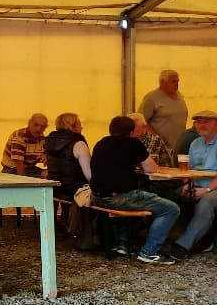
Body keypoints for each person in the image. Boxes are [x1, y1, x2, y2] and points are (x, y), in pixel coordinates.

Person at [90, 116, 180, 264]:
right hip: (119, 198)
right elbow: (152, 169)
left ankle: (122, 244)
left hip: (97, 197)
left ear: (110, 130)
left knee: (131, 197)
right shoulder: (133, 144)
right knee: (171, 209)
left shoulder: (101, 143)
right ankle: (149, 252)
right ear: (131, 132)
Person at [169, 110, 217, 260]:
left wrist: (206, 189)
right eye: (199, 122)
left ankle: (183, 245)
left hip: (213, 186)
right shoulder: (195, 143)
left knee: (207, 201)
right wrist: (187, 184)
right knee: (164, 194)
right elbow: (188, 169)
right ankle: (159, 240)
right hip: (196, 184)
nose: (202, 125)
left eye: (207, 122)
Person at [138, 70, 189, 156]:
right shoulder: (151, 98)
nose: (176, 84)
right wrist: (157, 137)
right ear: (162, 82)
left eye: (177, 81)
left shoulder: (179, 95)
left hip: (178, 145)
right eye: (173, 81)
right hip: (159, 147)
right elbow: (141, 121)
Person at [44, 113, 92, 198]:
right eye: (79, 125)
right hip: (75, 192)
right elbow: (89, 175)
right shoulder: (78, 143)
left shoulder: (49, 141)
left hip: (54, 190)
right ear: (72, 126)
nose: (81, 127)